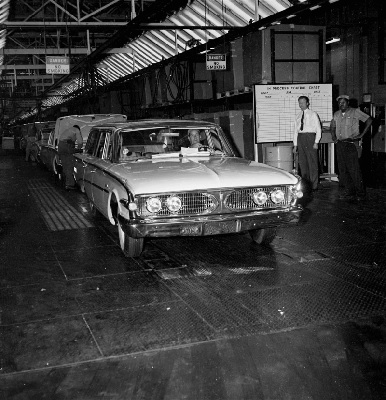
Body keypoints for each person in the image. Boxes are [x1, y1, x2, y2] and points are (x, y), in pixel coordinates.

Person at [330, 95, 373, 202]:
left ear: (348, 103)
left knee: (354, 170)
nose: (341, 105)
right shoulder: (336, 114)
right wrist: (334, 137)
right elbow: (332, 126)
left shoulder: (355, 112)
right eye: (339, 103)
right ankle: (349, 192)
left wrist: (361, 135)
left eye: (343, 102)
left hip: (351, 144)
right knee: (343, 170)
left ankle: (360, 193)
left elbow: (369, 120)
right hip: (340, 144)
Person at [293, 96, 322, 192]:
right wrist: (295, 145)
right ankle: (306, 184)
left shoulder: (313, 114)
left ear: (307, 103)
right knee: (303, 163)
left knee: (312, 162)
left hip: (310, 138)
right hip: (300, 138)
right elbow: (295, 131)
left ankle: (314, 185)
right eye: (299, 103)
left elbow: (318, 129)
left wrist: (316, 142)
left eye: (303, 102)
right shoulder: (297, 115)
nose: (301, 104)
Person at [58, 124, 83, 190]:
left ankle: (67, 182)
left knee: (65, 165)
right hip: (66, 146)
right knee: (69, 165)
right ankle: (70, 184)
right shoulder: (77, 130)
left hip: (60, 146)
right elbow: (80, 142)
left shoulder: (68, 130)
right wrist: (79, 150)